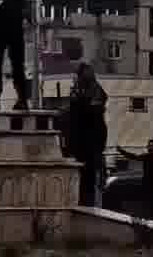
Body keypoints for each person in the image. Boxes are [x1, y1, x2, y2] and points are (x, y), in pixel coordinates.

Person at [63, 63, 108, 206]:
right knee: (80, 178)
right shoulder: (79, 90)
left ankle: (87, 204)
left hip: (90, 141)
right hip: (79, 141)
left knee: (88, 180)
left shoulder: (94, 90)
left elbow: (94, 108)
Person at [116, 138, 153, 215]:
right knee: (147, 202)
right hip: (147, 183)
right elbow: (133, 157)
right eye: (148, 146)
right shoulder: (148, 157)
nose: (149, 147)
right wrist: (121, 151)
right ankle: (148, 216)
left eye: (151, 146)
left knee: (152, 202)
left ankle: (152, 217)